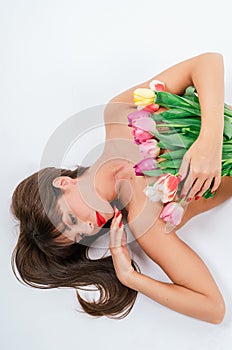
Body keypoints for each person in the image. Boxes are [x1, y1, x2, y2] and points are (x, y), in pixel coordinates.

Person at [11, 52, 232, 324]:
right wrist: (131, 278)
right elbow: (213, 308)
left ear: (63, 183)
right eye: (80, 235)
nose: (89, 227)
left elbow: (208, 62)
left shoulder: (117, 114)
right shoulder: (147, 223)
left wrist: (209, 139)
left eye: (71, 219)